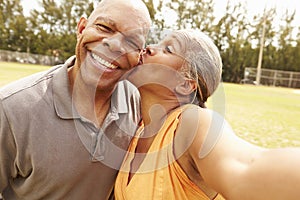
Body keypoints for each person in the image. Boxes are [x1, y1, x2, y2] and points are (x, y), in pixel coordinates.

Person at [114, 29, 300, 200]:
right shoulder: (137, 132)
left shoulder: (193, 123)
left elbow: (247, 168)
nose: (149, 48)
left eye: (168, 49)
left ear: (186, 84)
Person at [0, 0, 151, 199]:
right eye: (104, 27)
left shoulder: (137, 102)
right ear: (81, 28)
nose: (114, 45)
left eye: (131, 42)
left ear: (139, 56)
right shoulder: (11, 109)